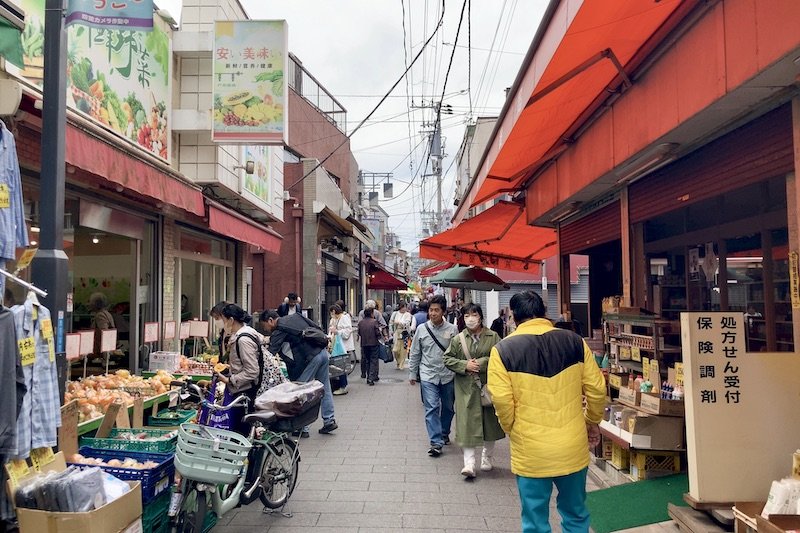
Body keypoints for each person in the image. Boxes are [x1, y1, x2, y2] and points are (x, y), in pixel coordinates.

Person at [488, 291, 606, 533]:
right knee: (575, 515)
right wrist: (591, 422)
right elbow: (596, 389)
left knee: (535, 521)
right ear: (544, 312)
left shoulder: (502, 350)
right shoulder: (575, 341)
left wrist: (512, 428)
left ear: (513, 316)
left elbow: (501, 399)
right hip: (572, 446)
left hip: (531, 450)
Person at [443, 303, 505, 478]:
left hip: (487, 387)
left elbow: (500, 356)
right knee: (466, 425)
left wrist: (482, 363)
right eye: (467, 315)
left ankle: (487, 457)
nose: (470, 318)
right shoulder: (458, 339)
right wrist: (464, 365)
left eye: (474, 314)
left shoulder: (493, 337)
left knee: (489, 425)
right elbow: (447, 358)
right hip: (466, 389)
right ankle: (469, 464)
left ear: (480, 316)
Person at [260, 309, 338, 437]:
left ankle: (303, 428)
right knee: (325, 387)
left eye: (265, 326)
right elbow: (316, 327)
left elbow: (270, 353)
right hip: (322, 352)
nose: (266, 329)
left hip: (309, 358)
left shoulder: (279, 329)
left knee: (302, 391)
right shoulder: (296, 317)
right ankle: (329, 420)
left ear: (270, 320)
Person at [408, 294, 458, 457]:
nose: (433, 313)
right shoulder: (422, 329)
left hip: (448, 375)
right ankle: (436, 441)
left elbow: (457, 354)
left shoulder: (452, 330)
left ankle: (444, 432)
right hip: (428, 374)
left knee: (449, 408)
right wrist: (412, 373)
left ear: (443, 311)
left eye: (437, 310)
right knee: (432, 407)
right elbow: (415, 352)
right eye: (431, 310)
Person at [328, 303, 354, 395]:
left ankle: (343, 386)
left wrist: (337, 332)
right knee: (338, 366)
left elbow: (348, 331)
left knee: (341, 366)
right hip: (336, 346)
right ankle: (340, 385)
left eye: (331, 313)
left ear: (334, 311)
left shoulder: (344, 317)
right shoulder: (334, 319)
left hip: (342, 346)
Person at [357, 307, 384, 385]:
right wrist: (380, 338)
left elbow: (359, 333)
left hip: (364, 344)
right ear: (372, 313)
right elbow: (377, 333)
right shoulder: (374, 322)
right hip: (373, 344)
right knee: (373, 360)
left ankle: (369, 376)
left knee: (367, 360)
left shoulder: (361, 322)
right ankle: (371, 378)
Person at [390, 301, 415, 370]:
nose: (404, 309)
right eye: (403, 307)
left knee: (403, 349)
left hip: (404, 333)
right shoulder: (395, 314)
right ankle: (398, 361)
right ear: (400, 307)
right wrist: (391, 331)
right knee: (395, 350)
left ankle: (401, 364)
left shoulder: (408, 314)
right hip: (396, 332)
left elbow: (407, 323)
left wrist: (399, 322)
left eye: (405, 307)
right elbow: (391, 323)